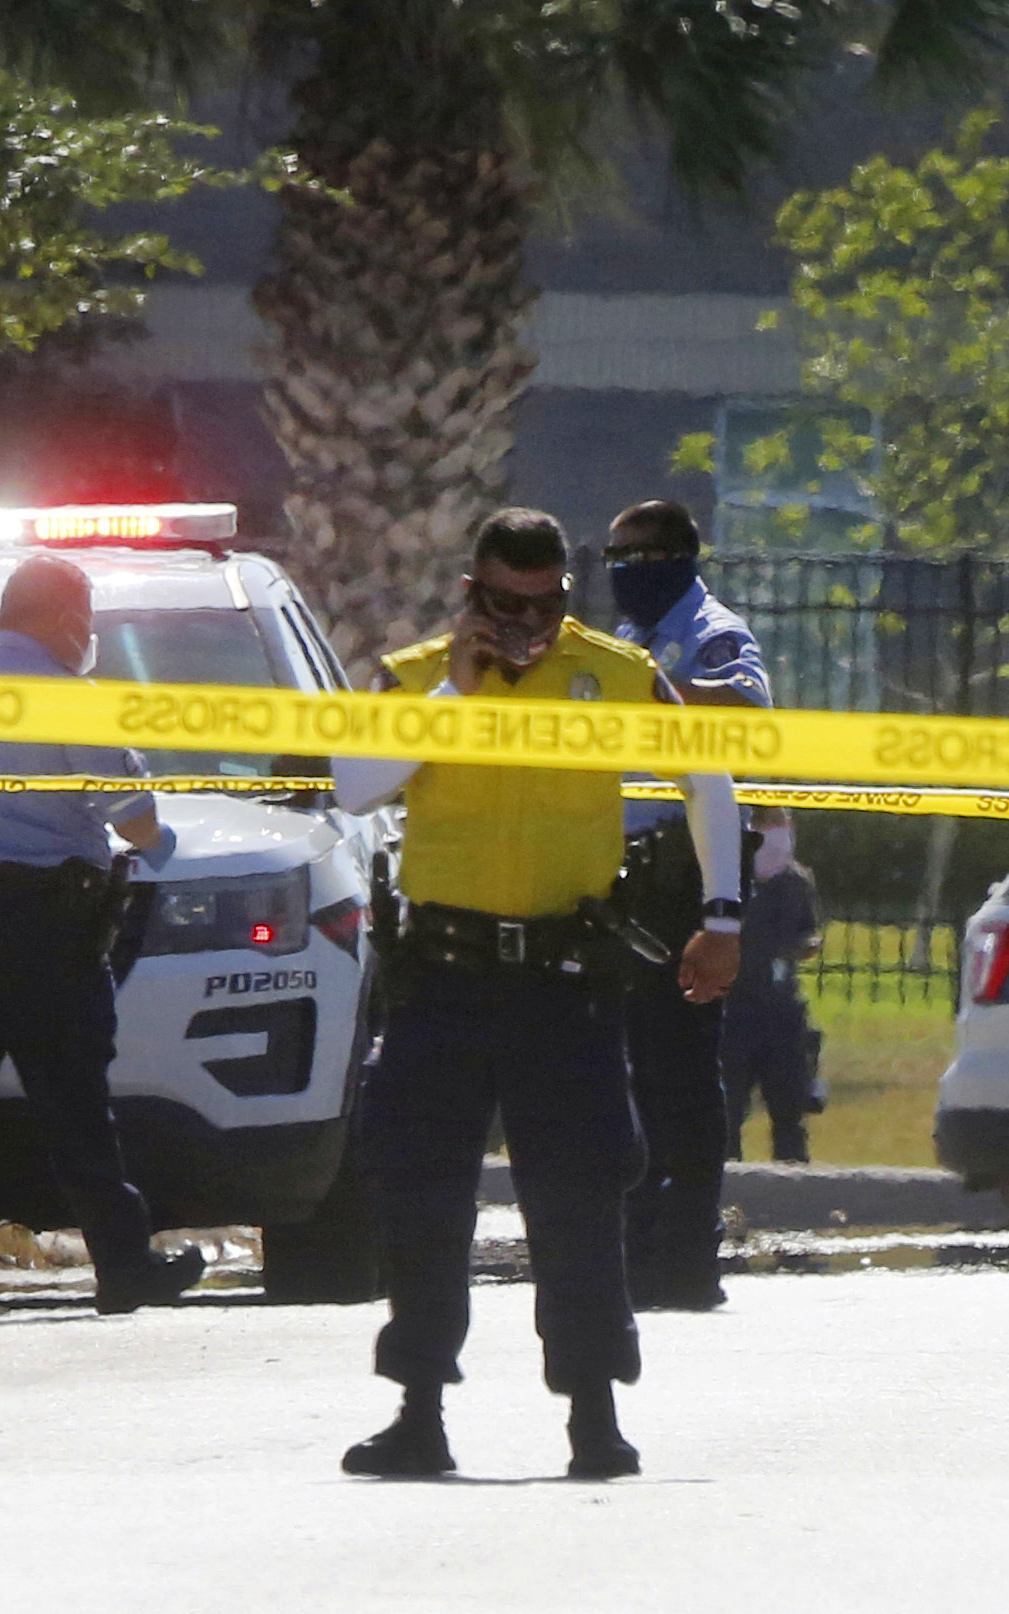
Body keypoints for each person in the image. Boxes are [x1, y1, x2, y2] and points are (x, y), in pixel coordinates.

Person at [332, 507, 741, 1481]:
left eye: (541, 602)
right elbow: (352, 785)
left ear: (564, 594)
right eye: (500, 601)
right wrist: (453, 693)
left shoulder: (608, 673)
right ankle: (417, 1412)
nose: (522, 621)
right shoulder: (414, 675)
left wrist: (721, 916)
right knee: (421, 1193)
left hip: (563, 980)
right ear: (470, 591)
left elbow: (708, 778)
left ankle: (592, 1419)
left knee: (577, 1196)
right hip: (442, 977)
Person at [0, 554, 207, 1323]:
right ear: (64, 620)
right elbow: (133, 815)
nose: (89, 634)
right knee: (75, 1105)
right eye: (86, 618)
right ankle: (124, 1266)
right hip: (41, 927)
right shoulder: (70, 699)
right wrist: (163, 849)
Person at [606, 499, 766, 1311]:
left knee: (680, 1071)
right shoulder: (626, 641)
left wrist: (655, 692)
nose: (624, 571)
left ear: (679, 557)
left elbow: (744, 714)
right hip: (622, 876)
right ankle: (641, 1243)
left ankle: (688, 1252)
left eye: (639, 556)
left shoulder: (712, 630)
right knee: (626, 1071)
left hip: (682, 876)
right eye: (614, 556)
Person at [722, 808, 823, 1164]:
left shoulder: (795, 881)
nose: (778, 836)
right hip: (733, 1009)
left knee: (790, 1107)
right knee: (728, 1109)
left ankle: (794, 1186)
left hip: (781, 1010)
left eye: (783, 825)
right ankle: (726, 1186)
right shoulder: (729, 879)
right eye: (770, 825)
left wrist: (804, 946)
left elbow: (807, 932)